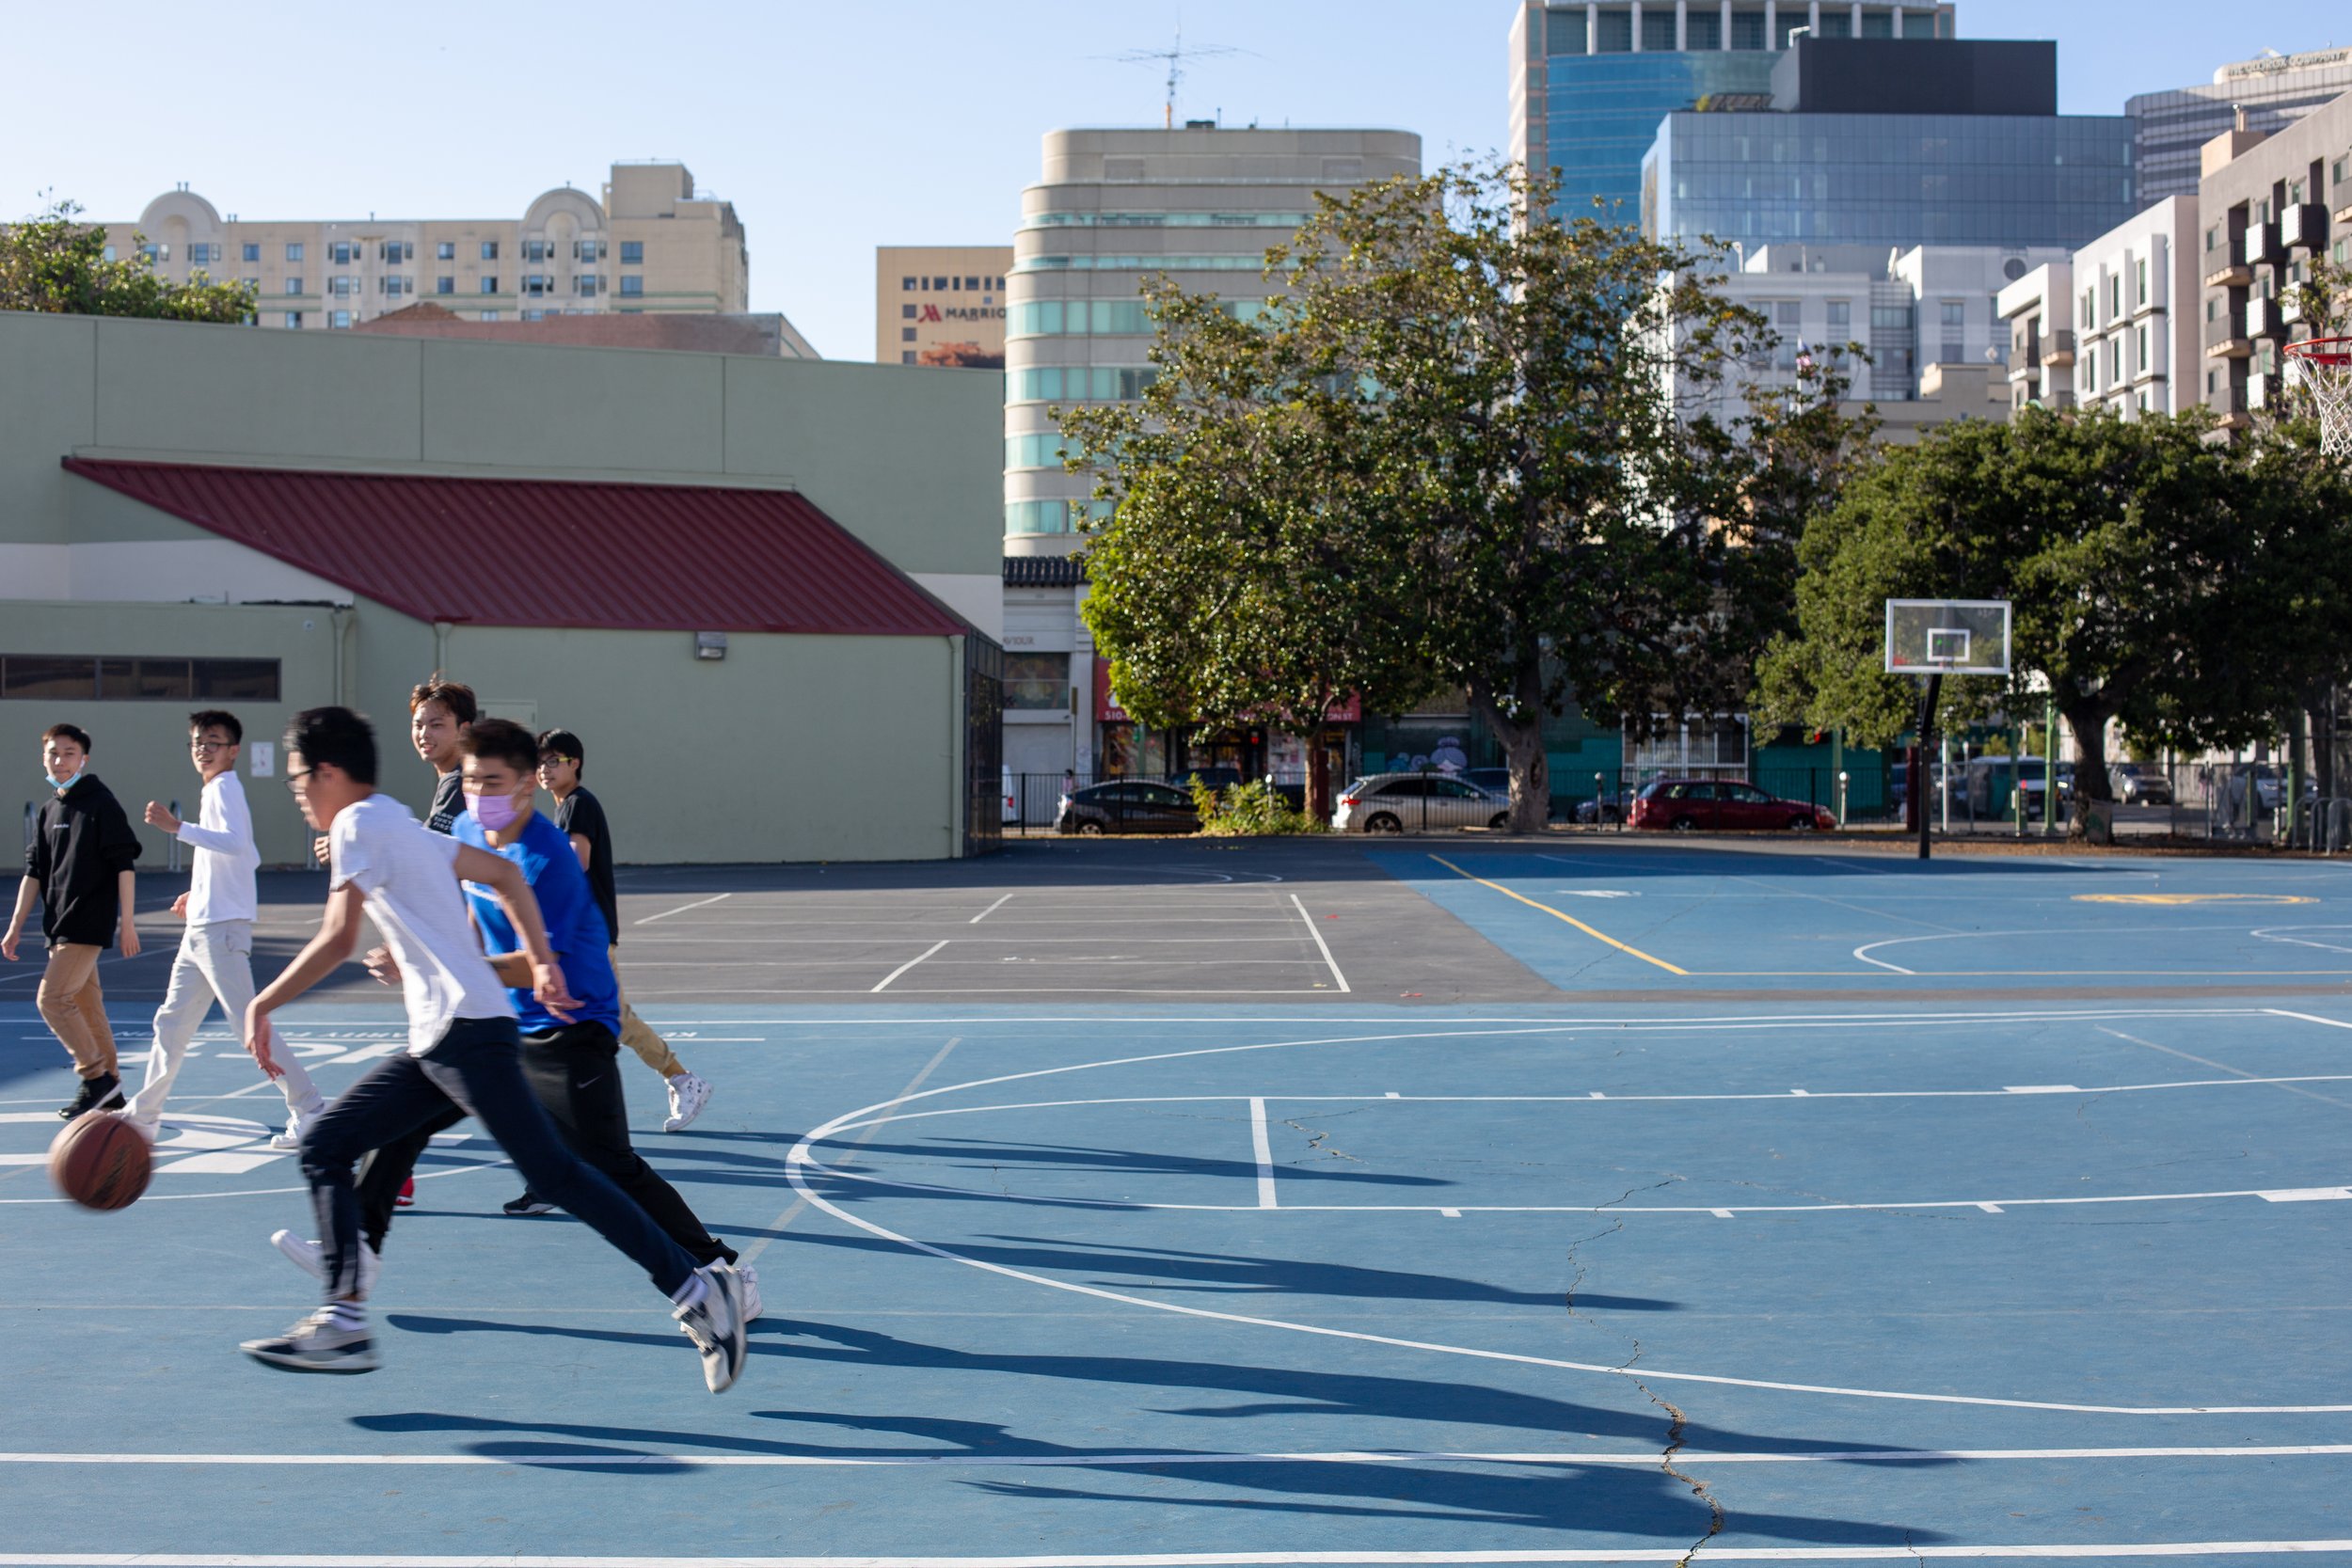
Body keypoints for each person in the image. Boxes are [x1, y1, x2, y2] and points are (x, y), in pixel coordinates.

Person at [239, 706, 748, 1389]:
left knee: (566, 1174)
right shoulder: (394, 818)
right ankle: (347, 1302)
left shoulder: (360, 823)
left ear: (328, 772)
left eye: (300, 778)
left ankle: (696, 1288)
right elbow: (500, 879)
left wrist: (261, 1001)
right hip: (451, 1035)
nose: (297, 791)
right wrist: (536, 960)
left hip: (469, 1035)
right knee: (331, 1141)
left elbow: (337, 936)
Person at [131, 711, 326, 1150]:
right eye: (198, 742)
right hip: (204, 926)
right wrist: (197, 891)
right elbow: (247, 853)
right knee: (171, 1023)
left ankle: (311, 1108)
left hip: (221, 932)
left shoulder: (225, 788)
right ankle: (143, 1116)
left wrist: (175, 827)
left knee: (250, 1027)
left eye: (213, 742)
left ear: (233, 751)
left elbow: (235, 843)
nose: (204, 749)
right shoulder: (218, 790)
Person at [534, 729, 711, 1132]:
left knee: (613, 1016)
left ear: (574, 763)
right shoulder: (567, 807)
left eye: (553, 761)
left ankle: (682, 1079)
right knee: (583, 1016)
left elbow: (575, 864)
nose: (545, 769)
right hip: (578, 934)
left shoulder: (578, 805)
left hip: (589, 934)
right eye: (540, 762)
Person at [3, 723, 142, 1119]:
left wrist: (127, 922)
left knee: (52, 1000)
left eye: (68, 753)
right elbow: (34, 872)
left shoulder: (101, 803)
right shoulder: (50, 809)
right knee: (87, 1005)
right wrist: (15, 927)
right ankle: (112, 1087)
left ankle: (95, 1076)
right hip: (58, 925)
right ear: (43, 757)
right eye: (53, 753)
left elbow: (124, 865)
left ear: (84, 759)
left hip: (86, 923)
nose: (60, 761)